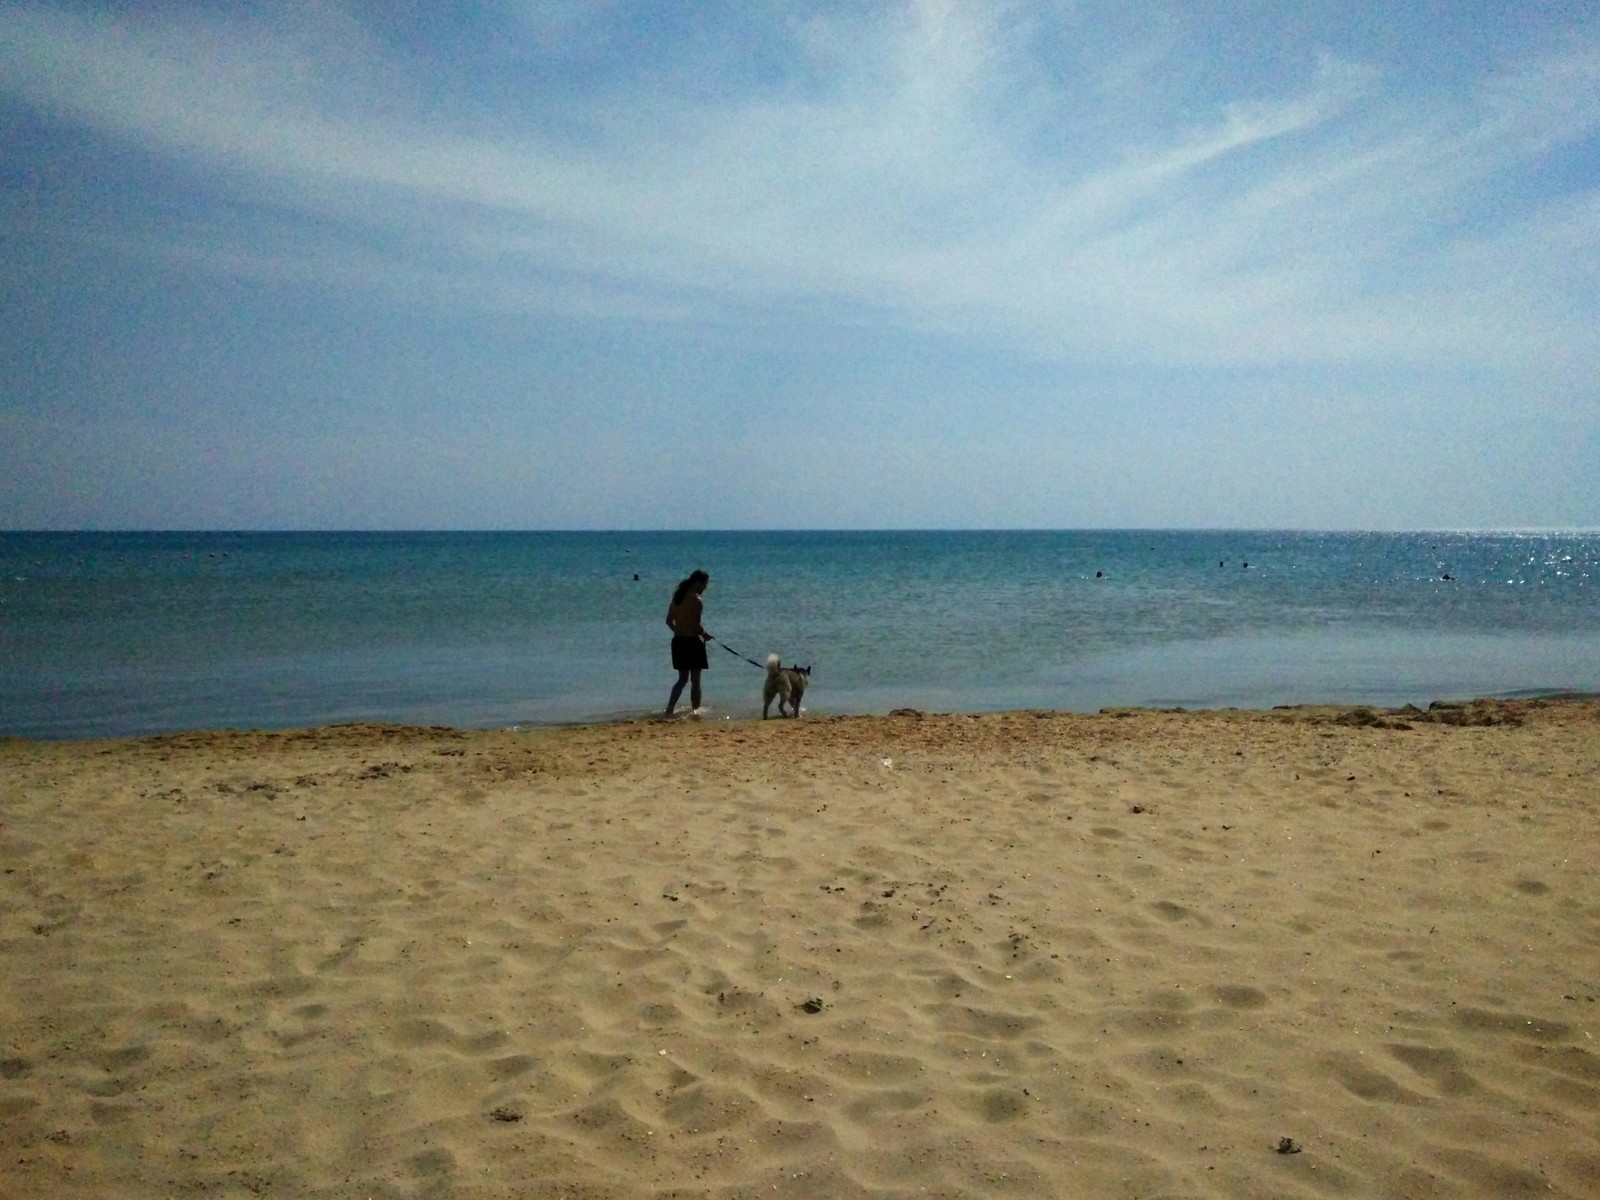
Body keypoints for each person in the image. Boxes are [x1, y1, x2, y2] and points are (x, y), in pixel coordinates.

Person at [664, 569, 713, 716]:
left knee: (682, 679)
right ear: (698, 583)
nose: (705, 588)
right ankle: (695, 710)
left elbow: (668, 621)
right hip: (692, 642)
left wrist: (678, 630)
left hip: (678, 641)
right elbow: (695, 625)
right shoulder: (696, 600)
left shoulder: (677, 598)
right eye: (705, 584)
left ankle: (670, 709)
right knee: (695, 680)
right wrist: (705, 634)